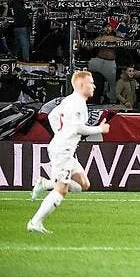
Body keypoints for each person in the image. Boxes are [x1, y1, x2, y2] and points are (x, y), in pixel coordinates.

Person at [27, 71, 111, 233]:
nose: (94, 86)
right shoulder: (77, 103)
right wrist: (99, 129)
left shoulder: (71, 100)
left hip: (65, 148)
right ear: (80, 84)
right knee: (62, 190)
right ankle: (35, 222)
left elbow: (52, 116)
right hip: (62, 151)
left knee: (83, 185)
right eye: (90, 83)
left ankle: (45, 183)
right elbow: (77, 127)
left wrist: (61, 134)